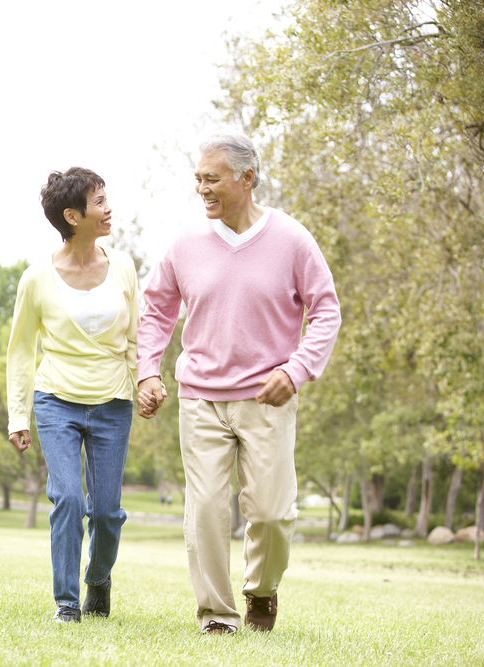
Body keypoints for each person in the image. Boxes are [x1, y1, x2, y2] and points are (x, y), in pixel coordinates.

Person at [136, 129, 341, 635]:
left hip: (266, 399)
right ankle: (217, 616)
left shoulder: (291, 239)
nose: (203, 189)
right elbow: (157, 310)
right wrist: (147, 370)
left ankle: (262, 592)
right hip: (201, 397)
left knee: (271, 513)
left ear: (247, 178)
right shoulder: (185, 244)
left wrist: (295, 371)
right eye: (198, 180)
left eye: (213, 179)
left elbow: (326, 309)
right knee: (205, 509)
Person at [7, 167, 139, 623]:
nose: (108, 208)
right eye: (99, 201)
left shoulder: (122, 266)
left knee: (105, 511)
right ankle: (66, 602)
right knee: (67, 498)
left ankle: (98, 580)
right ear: (72, 215)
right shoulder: (37, 279)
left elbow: (137, 337)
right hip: (56, 400)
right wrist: (17, 416)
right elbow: (21, 351)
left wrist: (144, 381)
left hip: (113, 402)